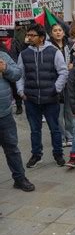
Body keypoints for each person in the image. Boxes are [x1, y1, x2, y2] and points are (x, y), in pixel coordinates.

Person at [17, 24, 69, 168]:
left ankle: (58, 154)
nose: (29, 38)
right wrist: (21, 92)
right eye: (28, 35)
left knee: (55, 128)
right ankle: (36, 155)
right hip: (31, 99)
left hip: (51, 99)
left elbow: (63, 72)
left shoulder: (54, 52)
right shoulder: (24, 54)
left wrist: (55, 89)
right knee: (35, 129)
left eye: (32, 35)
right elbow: (19, 75)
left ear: (41, 38)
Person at [0, 49, 35, 191]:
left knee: (12, 148)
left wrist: (5, 68)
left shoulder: (2, 56)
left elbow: (17, 74)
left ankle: (20, 179)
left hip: (5, 114)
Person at [50, 24, 75, 147]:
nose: (58, 32)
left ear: (64, 33)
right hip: (56, 82)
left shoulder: (70, 45)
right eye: (55, 31)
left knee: (69, 110)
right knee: (58, 111)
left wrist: (73, 65)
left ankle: (70, 135)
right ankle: (60, 136)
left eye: (60, 30)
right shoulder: (49, 47)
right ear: (51, 33)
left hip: (69, 82)